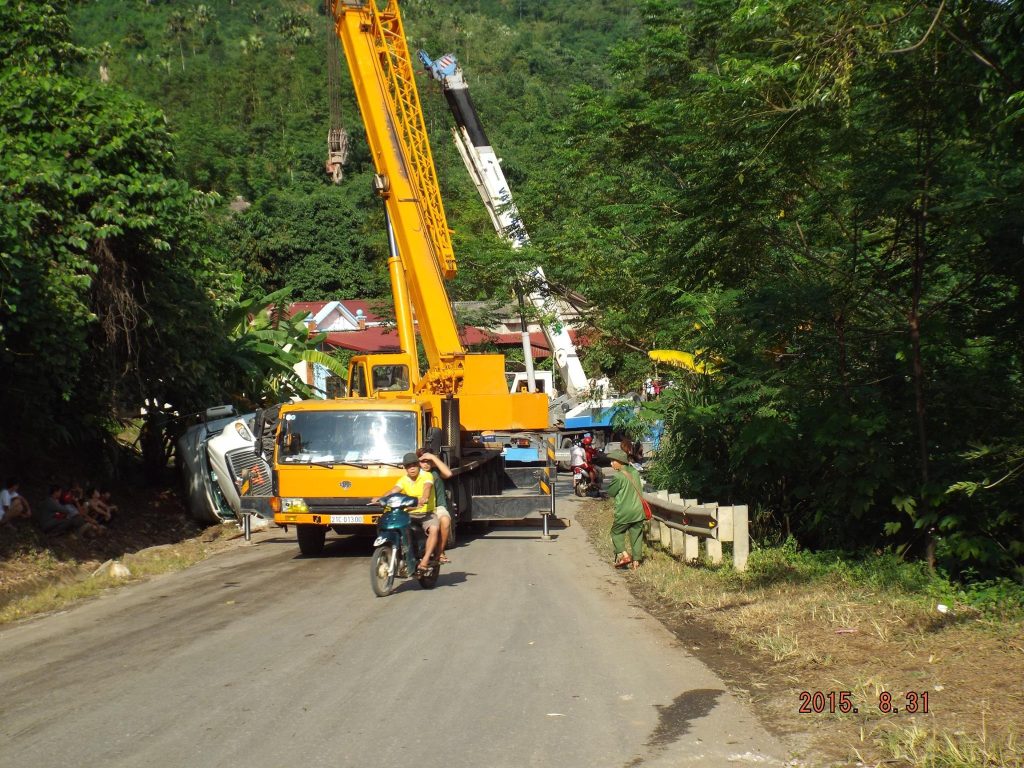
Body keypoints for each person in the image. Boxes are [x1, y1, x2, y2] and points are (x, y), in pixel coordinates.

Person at [372, 452, 439, 575]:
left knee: (434, 528)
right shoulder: (404, 479)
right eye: (408, 466)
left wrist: (424, 498)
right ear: (405, 468)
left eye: (414, 465)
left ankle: (424, 560)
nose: (412, 468)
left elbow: (427, 488)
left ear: (418, 465)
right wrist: (381, 498)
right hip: (409, 514)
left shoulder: (427, 476)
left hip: (426, 514)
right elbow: (393, 490)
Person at [605, 448, 645, 570]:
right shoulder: (634, 472)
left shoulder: (618, 476)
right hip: (639, 511)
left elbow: (611, 492)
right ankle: (636, 562)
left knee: (616, 532)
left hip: (624, 512)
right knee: (636, 535)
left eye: (613, 461)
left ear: (620, 461)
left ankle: (625, 555)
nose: (611, 463)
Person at [418, 451, 453, 564]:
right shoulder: (414, 473)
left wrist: (433, 457)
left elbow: (448, 474)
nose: (426, 464)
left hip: (437, 507)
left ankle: (439, 552)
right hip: (418, 507)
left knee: (445, 521)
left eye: (429, 462)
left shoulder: (436, 472)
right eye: (423, 461)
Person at [33, 485, 103, 538]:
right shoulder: (53, 502)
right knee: (69, 520)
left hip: (47, 521)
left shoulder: (50, 500)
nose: (60, 494)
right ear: (56, 492)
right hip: (46, 524)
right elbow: (66, 511)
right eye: (60, 492)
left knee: (77, 520)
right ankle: (53, 533)